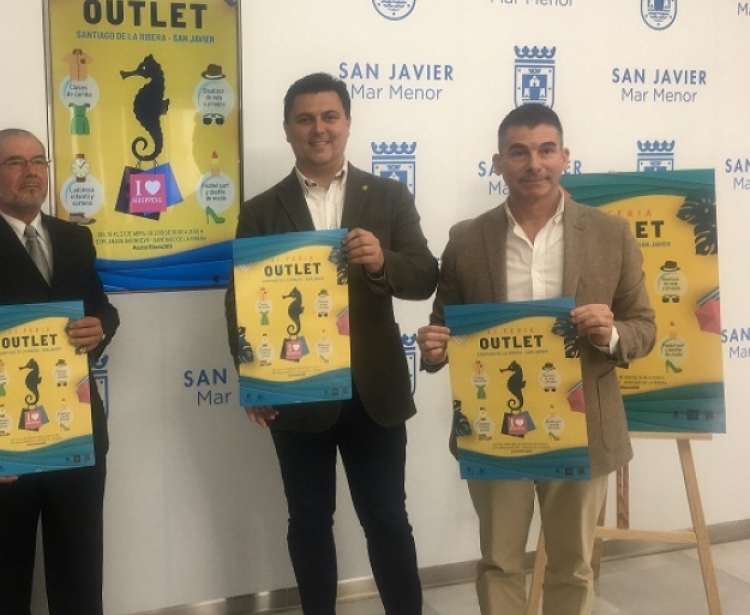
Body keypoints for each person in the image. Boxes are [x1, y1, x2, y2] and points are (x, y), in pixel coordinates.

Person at [417, 104, 656, 615]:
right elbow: (446, 326)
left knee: (572, 565)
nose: (534, 164)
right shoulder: (466, 239)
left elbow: (645, 327)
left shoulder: (611, 233)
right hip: (494, 430)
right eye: (519, 152)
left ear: (565, 157)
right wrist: (434, 349)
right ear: (498, 163)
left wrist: (612, 333)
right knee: (499, 562)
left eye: (546, 150)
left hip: (583, 425)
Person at [225, 72, 439, 614]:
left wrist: (383, 261)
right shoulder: (260, 210)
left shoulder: (388, 195)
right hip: (295, 388)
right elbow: (239, 301)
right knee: (309, 521)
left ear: (347, 123)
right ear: (287, 129)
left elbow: (424, 276)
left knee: (387, 519)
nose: (318, 129)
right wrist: (252, 377)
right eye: (305, 119)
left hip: (375, 392)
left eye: (329, 117)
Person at [0, 128, 118, 615]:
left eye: (38, 161)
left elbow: (102, 309)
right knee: (7, 580)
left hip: (76, 433)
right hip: (2, 445)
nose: (31, 172)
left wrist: (100, 327)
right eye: (15, 162)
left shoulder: (75, 237)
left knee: (81, 577)